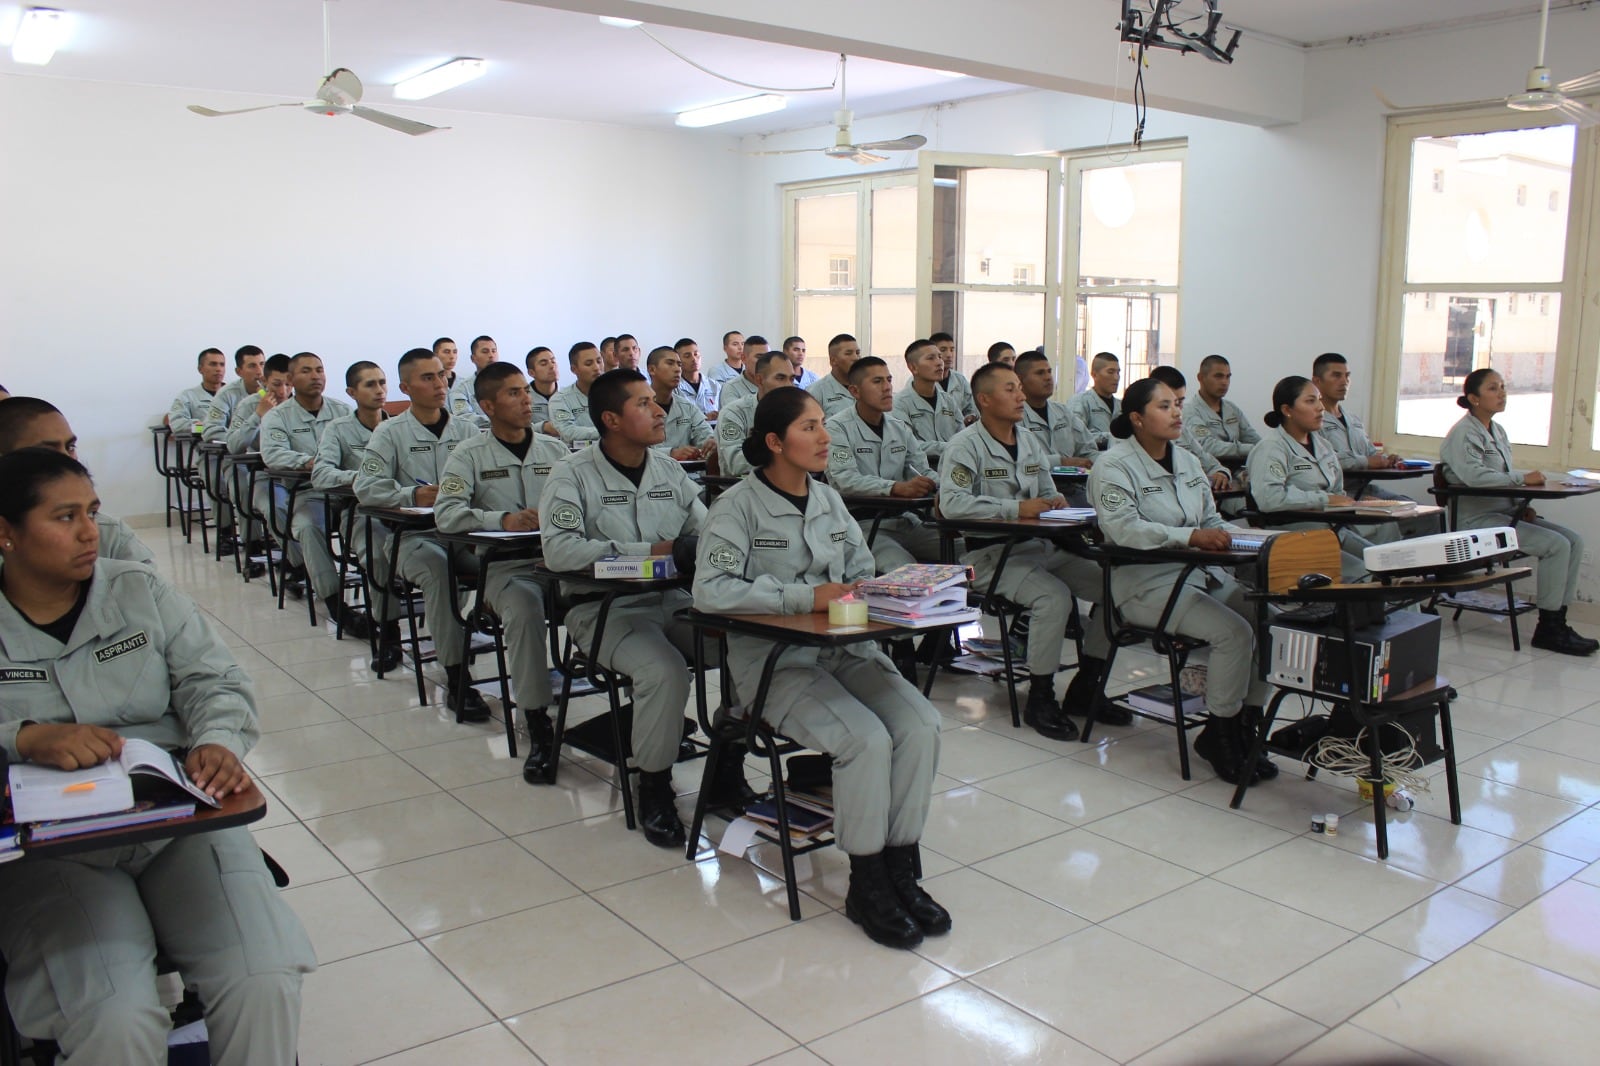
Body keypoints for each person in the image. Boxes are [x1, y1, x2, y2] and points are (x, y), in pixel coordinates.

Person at [0, 448, 315, 1065]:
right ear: (5, 532)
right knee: (115, 1015)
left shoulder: (136, 590)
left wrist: (217, 741)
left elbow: (214, 680)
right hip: (56, 848)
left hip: (177, 822)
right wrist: (24, 737)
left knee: (263, 975)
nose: (90, 531)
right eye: (64, 517)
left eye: (91, 511)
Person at [695, 387, 949, 950]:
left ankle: (901, 865)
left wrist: (903, 593)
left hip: (848, 650)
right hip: (777, 666)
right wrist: (803, 597)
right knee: (865, 740)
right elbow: (711, 591)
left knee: (919, 725)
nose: (825, 436)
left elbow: (860, 570)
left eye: (822, 426)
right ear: (773, 441)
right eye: (809, 427)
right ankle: (868, 880)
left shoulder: (829, 500)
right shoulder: (735, 507)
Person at [542, 369, 750, 845]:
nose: (659, 411)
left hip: (671, 600)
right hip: (604, 611)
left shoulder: (666, 469)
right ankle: (653, 784)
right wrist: (652, 553)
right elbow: (560, 551)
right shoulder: (569, 474)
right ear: (611, 419)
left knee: (745, 644)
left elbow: (705, 533)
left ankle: (728, 765)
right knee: (665, 671)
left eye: (655, 403)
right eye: (643, 404)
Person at [1088, 378, 1277, 784]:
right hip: (1146, 585)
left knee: (1267, 618)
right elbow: (1124, 530)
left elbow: (1209, 519)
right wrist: (1190, 537)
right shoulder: (1113, 466)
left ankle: (1246, 722)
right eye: (1164, 406)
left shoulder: (1188, 461)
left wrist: (1244, 538)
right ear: (1136, 419)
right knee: (1234, 633)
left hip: (1200, 575)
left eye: (1177, 403)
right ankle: (1219, 733)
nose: (1176, 413)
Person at [939, 364, 1116, 742]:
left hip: (1039, 547)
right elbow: (952, 505)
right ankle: (1041, 695)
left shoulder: (1030, 440)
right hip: (989, 555)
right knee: (1053, 599)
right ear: (984, 400)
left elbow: (1047, 490)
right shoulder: (965, 446)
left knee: (1114, 587)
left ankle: (1087, 686)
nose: (1021, 396)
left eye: (1020, 388)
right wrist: (1015, 509)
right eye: (1010, 389)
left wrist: (1055, 502)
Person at [436, 362, 569, 780]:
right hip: (506, 568)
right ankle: (536, 718)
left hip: (561, 562)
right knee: (526, 607)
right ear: (488, 406)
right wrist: (502, 520)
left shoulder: (555, 452)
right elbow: (447, 514)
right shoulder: (469, 455)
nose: (526, 399)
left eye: (525, 392)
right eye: (513, 393)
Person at [353, 348, 492, 719]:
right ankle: (457, 675)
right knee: (438, 571)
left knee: (503, 567)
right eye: (427, 378)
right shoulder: (390, 432)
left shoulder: (466, 429)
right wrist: (412, 494)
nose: (439, 384)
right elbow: (367, 488)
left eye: (441, 375)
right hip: (410, 537)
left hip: (462, 532)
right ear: (406, 387)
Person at [1441, 368, 1598, 655]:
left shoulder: (1497, 431)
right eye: (1492, 388)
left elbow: (1498, 477)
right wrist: (1521, 480)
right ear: (1474, 398)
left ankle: (1558, 622)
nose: (1501, 393)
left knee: (1574, 540)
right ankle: (1548, 629)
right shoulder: (1463, 433)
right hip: (1476, 522)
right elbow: (1474, 477)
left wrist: (1520, 507)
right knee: (1556, 545)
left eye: (1502, 386)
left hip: (1503, 515)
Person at [259, 352, 367, 633]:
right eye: (306, 371)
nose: (316, 376)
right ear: (291, 379)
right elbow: (272, 455)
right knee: (307, 526)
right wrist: (306, 462)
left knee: (379, 526)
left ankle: (386, 595)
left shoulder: (343, 412)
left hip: (349, 493)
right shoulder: (278, 417)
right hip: (311, 493)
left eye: (319, 369)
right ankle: (335, 604)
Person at [1246, 376, 1390, 580]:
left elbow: (1337, 493)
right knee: (1365, 576)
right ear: (1287, 410)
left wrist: (1356, 504)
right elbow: (1269, 498)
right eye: (1310, 401)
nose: (1320, 408)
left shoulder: (1323, 446)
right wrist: (1324, 499)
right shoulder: (1271, 448)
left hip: (1333, 530)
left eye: (1320, 400)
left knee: (1388, 563)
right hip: (1296, 537)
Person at [314, 360, 400, 666]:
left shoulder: (398, 427)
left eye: (382, 382)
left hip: (404, 510)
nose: (379, 390)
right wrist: (359, 480)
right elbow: (321, 475)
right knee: (377, 552)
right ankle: (388, 634)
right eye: (370, 384)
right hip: (360, 511)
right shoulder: (337, 429)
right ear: (352, 392)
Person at [0, 398, 156, 565]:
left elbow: (148, 586)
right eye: (45, 452)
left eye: (70, 447)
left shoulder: (110, 535)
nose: (68, 461)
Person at [825, 356, 940, 572]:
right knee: (906, 572)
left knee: (963, 554)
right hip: (864, 525)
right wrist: (895, 488)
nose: (887, 388)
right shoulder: (837, 428)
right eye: (877, 382)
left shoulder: (899, 428)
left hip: (906, 520)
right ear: (855, 391)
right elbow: (845, 480)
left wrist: (941, 487)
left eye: (889, 380)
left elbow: (921, 469)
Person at [1149, 365, 1232, 492]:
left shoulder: (1182, 432)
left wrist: (1221, 473)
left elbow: (1210, 463)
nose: (1177, 411)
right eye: (1166, 404)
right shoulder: (1127, 442)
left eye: (1179, 402)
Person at [717, 351, 794, 478]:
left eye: (791, 379)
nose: (788, 385)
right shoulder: (734, 412)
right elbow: (736, 464)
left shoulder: (796, 412)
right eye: (780, 378)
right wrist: (785, 457)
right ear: (759, 380)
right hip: (744, 488)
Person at [1015, 350, 1093, 469]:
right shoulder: (1014, 416)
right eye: (1040, 373)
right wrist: (1061, 462)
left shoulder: (1063, 412)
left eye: (1049, 372)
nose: (1048, 378)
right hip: (1034, 484)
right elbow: (1016, 460)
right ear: (1020, 380)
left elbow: (1088, 449)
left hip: (1074, 484)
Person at [895, 338, 966, 466]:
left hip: (952, 466)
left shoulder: (948, 400)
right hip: (919, 471)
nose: (939, 362)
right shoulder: (900, 403)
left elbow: (963, 436)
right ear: (913, 367)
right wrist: (950, 447)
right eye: (931, 358)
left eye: (939, 357)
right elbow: (908, 444)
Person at [1184, 355, 1260, 468]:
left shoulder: (1231, 408)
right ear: (1200, 378)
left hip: (1240, 469)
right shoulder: (1190, 410)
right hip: (1210, 472)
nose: (1224, 382)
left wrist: (1266, 448)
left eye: (1228, 377)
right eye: (1218, 376)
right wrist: (1249, 449)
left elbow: (1251, 437)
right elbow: (1207, 446)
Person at [647, 346, 714, 459]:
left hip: (688, 473)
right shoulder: (638, 408)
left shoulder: (687, 407)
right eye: (670, 363)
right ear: (652, 369)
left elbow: (704, 433)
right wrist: (671, 453)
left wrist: (711, 442)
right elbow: (632, 450)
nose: (677, 369)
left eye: (679, 364)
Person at [550, 341, 605, 446]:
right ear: (574, 369)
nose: (597, 367)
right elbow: (568, 432)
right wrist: (610, 432)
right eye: (589, 364)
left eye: (599, 361)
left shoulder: (616, 394)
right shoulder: (560, 399)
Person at [1064, 351, 1121, 451]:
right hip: (1090, 461)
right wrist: (1114, 438)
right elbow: (1075, 436)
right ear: (1094, 375)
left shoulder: (1121, 405)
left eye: (1118, 372)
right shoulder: (1080, 402)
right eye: (1110, 372)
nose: (1116, 377)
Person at [167, 347, 226, 430]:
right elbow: (177, 424)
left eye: (222, 365)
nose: (218, 369)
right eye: (213, 364)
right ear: (200, 369)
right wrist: (204, 428)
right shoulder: (187, 396)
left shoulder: (237, 395)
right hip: (203, 441)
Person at [807, 333, 862, 418]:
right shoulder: (815, 392)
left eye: (857, 353)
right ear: (833, 360)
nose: (856, 358)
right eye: (848, 353)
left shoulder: (866, 388)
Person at [448, 335, 498, 428]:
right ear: (473, 358)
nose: (491, 355)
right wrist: (500, 420)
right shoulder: (461, 389)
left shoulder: (508, 384)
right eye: (485, 351)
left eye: (494, 351)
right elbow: (463, 417)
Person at [931, 332, 978, 422]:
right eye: (943, 350)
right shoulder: (921, 380)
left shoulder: (960, 379)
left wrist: (970, 417)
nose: (949, 355)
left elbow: (970, 408)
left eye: (952, 350)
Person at [717, 335, 768, 408]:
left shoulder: (774, 384)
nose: (765, 362)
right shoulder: (731, 388)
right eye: (759, 357)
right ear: (743, 358)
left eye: (768, 357)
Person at [674, 337, 719, 418]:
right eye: (687, 356)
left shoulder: (715, 385)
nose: (694, 359)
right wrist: (704, 418)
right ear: (678, 361)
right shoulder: (675, 388)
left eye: (696, 354)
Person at [524, 345, 561, 436]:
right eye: (544, 364)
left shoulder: (567, 395)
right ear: (531, 373)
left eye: (553, 361)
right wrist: (542, 427)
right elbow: (513, 429)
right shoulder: (522, 397)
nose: (552, 366)